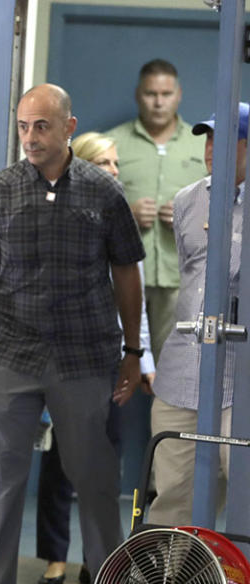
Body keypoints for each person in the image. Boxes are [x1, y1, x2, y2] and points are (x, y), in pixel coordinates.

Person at [0, 84, 145, 584]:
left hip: (84, 358)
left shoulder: (103, 193)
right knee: (2, 480)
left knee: (94, 480)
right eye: (23, 126)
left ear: (68, 127)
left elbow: (128, 272)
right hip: (13, 355)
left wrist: (133, 352)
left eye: (42, 127)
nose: (30, 137)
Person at [34, 132, 156, 584]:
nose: (114, 172)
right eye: (104, 163)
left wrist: (140, 357)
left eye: (116, 163)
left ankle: (97, 558)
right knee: (59, 461)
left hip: (109, 359)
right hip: (62, 358)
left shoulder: (121, 222)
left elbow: (135, 303)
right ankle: (54, 556)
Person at [147, 103, 248, 527]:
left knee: (241, 488)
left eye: (223, 141)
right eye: (207, 139)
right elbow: (192, 271)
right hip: (183, 371)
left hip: (238, 379)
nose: (210, 150)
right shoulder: (188, 201)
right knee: (172, 492)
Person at [106, 60, 206, 361]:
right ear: (139, 95)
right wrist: (127, 216)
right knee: (111, 359)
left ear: (179, 95)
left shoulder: (202, 144)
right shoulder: (112, 143)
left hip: (179, 277)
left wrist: (188, 215)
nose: (159, 102)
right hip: (121, 274)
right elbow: (90, 209)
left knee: (173, 365)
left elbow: (224, 208)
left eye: (166, 93)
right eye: (151, 93)